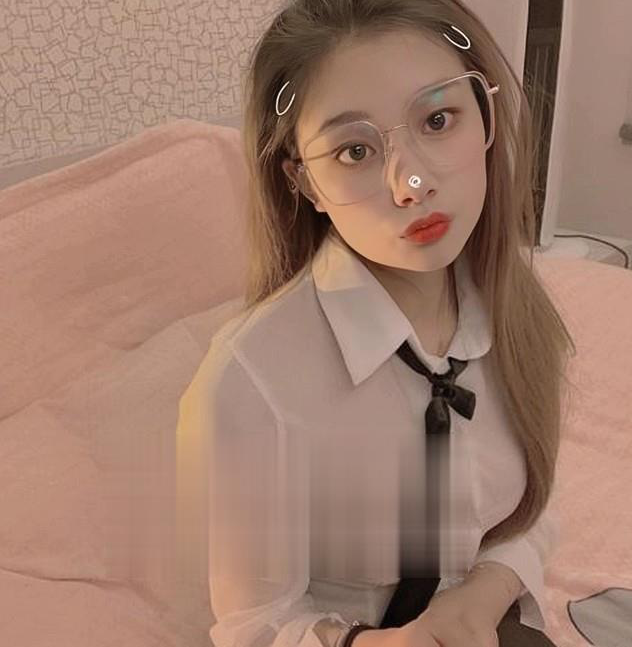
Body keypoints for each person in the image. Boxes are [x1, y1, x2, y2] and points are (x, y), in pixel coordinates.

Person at [174, 1, 577, 646]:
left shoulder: (520, 315)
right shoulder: (250, 384)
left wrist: (482, 594)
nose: (412, 183)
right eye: (354, 150)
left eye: (438, 120)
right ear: (305, 183)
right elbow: (254, 624)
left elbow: (535, 506)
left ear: (486, 115)